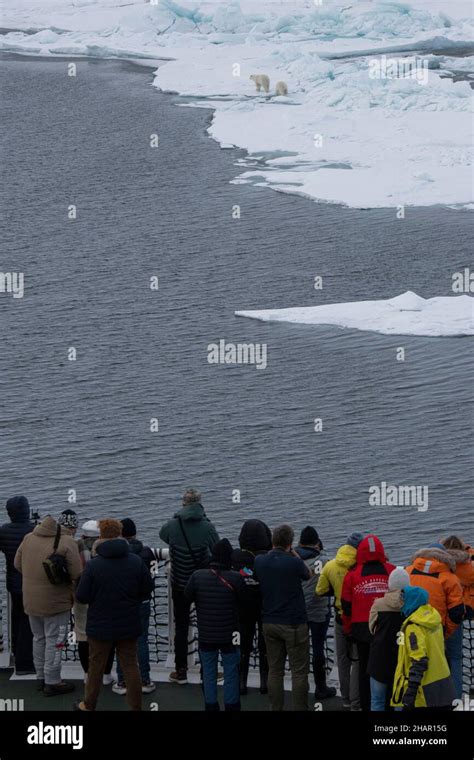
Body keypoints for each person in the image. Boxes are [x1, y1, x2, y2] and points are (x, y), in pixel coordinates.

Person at [74, 519, 154, 712]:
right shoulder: (135, 561)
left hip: (100, 625)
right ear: (120, 534)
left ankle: (89, 704)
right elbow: (147, 590)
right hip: (128, 623)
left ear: (101, 536)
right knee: (130, 666)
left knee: (96, 668)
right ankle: (135, 707)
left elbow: (82, 596)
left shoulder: (94, 565)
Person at [14, 514, 81, 695]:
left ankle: (40, 676)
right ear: (72, 528)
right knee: (56, 641)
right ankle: (53, 681)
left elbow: (17, 564)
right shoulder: (68, 542)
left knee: (38, 638)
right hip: (56, 602)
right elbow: (77, 573)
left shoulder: (28, 538)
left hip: (30, 600)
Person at [159, 488, 219, 684]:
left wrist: (177, 517)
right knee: (206, 626)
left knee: (181, 627)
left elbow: (163, 535)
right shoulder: (207, 527)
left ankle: (181, 670)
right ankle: (207, 671)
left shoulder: (172, 525)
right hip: (202, 584)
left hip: (180, 584)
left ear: (183, 504)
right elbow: (216, 549)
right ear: (200, 504)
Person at [184, 538, 246, 711]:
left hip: (206, 633)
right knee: (231, 672)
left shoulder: (197, 576)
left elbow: (186, 597)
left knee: (209, 673)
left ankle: (211, 706)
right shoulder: (236, 578)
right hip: (231, 634)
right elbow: (245, 603)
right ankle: (232, 706)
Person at [254, 524, 310, 711]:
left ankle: (275, 707)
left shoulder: (260, 561)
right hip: (294, 624)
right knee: (299, 672)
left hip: (269, 622)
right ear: (290, 543)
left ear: (273, 541)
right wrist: (295, 554)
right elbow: (308, 574)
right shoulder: (294, 563)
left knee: (275, 670)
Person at [341, 534, 395, 711]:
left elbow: (346, 607)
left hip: (362, 628)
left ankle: (366, 706)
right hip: (389, 628)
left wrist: (348, 631)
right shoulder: (392, 571)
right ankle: (388, 704)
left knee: (365, 670)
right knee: (390, 668)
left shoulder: (351, 576)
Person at [316, 533, 363, 710]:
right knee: (358, 660)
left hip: (340, 618)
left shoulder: (330, 565)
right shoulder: (361, 567)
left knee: (342, 660)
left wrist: (336, 593)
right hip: (358, 619)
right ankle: (356, 702)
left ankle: (345, 699)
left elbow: (319, 591)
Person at [391, 585, 455, 710]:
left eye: (404, 599)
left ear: (412, 601)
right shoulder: (434, 619)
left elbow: (419, 661)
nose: (401, 602)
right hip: (443, 683)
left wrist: (410, 693)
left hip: (424, 691)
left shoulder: (413, 626)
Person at [113, 518, 156, 695]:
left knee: (121, 641)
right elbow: (151, 579)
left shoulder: (116, 555)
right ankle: (145, 680)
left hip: (121, 604)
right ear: (135, 533)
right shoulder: (146, 553)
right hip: (142, 603)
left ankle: (122, 681)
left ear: (120, 535)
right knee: (142, 641)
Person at [231, 518, 272, 695]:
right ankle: (265, 682)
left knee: (243, 645)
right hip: (265, 606)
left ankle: (241, 682)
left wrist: (246, 574)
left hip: (242, 608)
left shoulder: (235, 557)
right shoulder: (268, 558)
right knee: (265, 646)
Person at [295, 526, 336, 700]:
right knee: (319, 647)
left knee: (300, 649)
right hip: (320, 612)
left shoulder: (293, 560)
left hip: (298, 612)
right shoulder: (325, 561)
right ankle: (321, 687)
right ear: (317, 542)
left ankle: (301, 686)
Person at [74, 520, 116, 686]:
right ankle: (106, 674)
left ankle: (87, 674)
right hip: (104, 598)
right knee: (107, 636)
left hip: (81, 597)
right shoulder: (106, 548)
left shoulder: (75, 545)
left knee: (83, 636)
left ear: (83, 534)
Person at [0, 496, 35, 675]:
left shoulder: (3, 531)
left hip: (13, 584)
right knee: (30, 622)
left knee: (16, 619)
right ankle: (25, 662)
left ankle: (15, 652)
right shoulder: (33, 531)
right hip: (32, 584)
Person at [367, 567, 409, 710]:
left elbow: (371, 628)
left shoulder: (378, 604)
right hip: (403, 657)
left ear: (389, 584)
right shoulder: (411, 606)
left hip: (380, 656)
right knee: (400, 700)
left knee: (377, 700)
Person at [440, 536, 474, 699]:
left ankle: (442, 695)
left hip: (439, 614)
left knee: (441, 656)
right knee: (456, 657)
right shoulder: (468, 565)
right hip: (460, 612)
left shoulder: (441, 566)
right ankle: (456, 697)